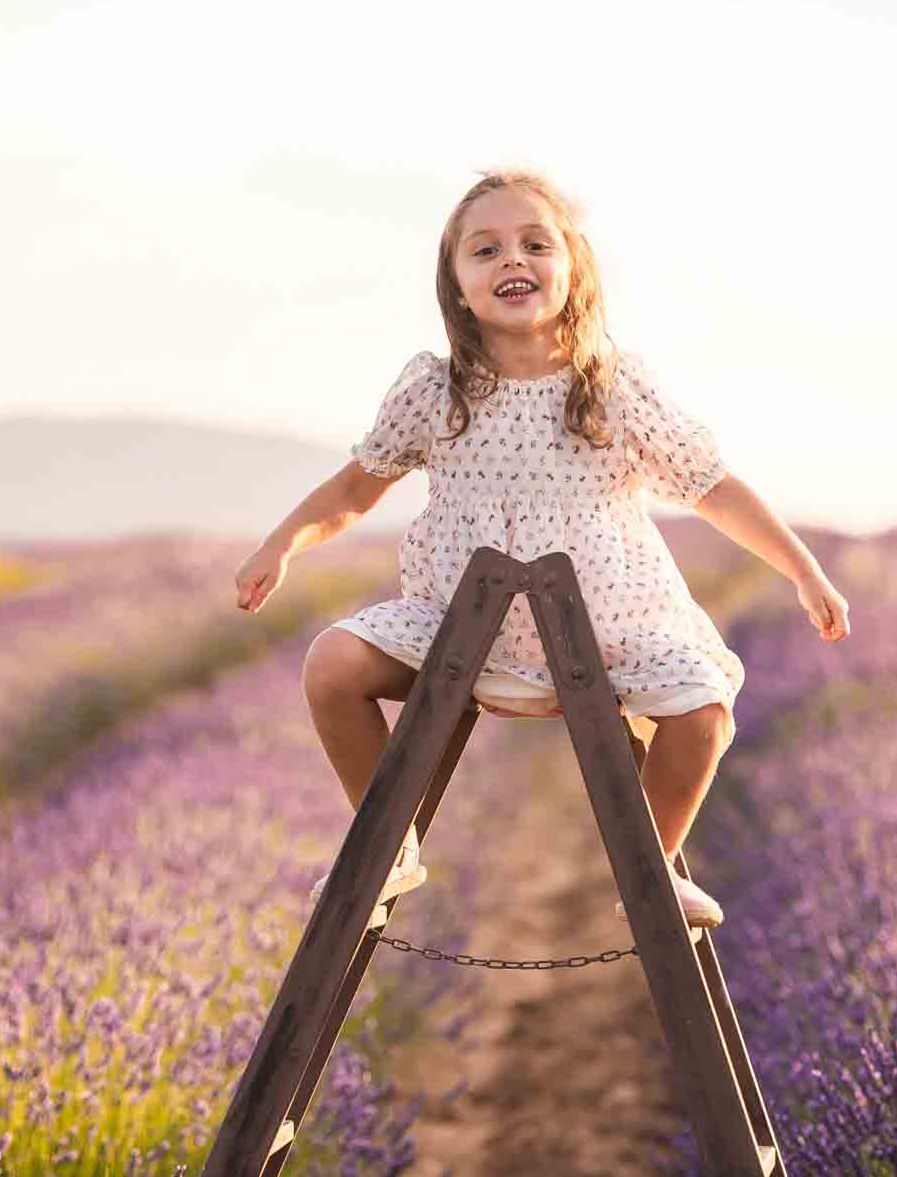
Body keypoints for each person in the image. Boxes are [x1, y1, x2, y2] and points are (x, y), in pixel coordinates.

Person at [234, 169, 850, 928]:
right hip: (461, 632)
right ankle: (384, 846)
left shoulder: (612, 390)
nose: (511, 261)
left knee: (704, 713)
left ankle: (647, 873)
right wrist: (282, 542)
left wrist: (803, 569)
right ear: (457, 285)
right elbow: (356, 488)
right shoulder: (438, 391)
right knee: (331, 665)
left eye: (534, 243)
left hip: (609, 634)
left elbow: (710, 486)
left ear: (573, 268)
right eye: (485, 250)